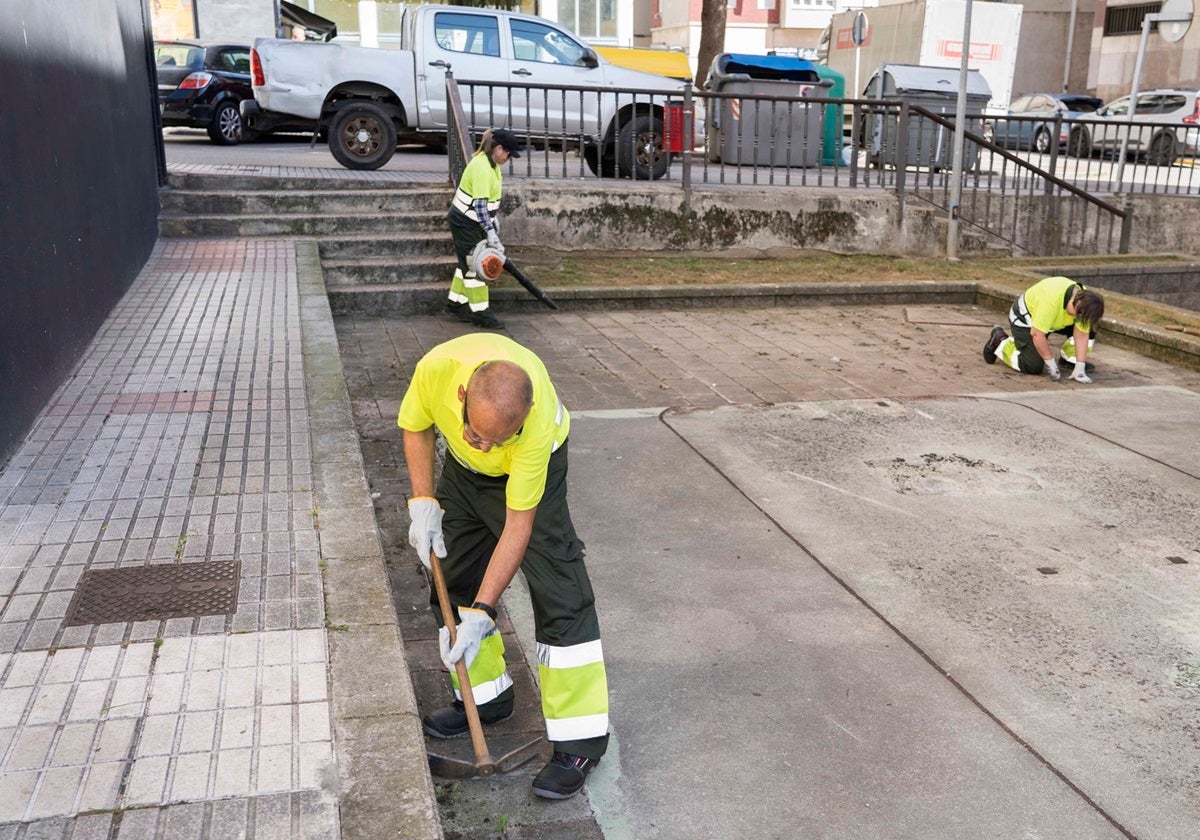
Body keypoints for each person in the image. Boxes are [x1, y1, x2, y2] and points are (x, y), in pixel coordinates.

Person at [398, 333, 609, 800]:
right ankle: (485, 698)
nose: (487, 446)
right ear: (460, 398)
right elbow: (416, 425)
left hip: (533, 473)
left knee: (560, 588)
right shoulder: (437, 369)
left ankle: (580, 742)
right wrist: (423, 500)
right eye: (477, 433)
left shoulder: (533, 432)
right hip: (460, 471)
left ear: (524, 420)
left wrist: (484, 611)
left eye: (498, 439)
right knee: (452, 574)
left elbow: (518, 527)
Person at [445, 128, 523, 330]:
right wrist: (490, 231)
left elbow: (486, 202)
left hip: (472, 220)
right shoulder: (482, 166)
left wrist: (492, 219)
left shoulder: (491, 163)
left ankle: (456, 303)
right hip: (465, 221)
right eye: (507, 153)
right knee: (475, 267)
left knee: (466, 262)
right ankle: (481, 314)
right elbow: (480, 205)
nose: (508, 158)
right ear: (498, 148)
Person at [983, 275, 1105, 384]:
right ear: (1077, 302)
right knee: (1032, 366)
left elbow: (1082, 334)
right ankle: (1001, 341)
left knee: (1090, 330)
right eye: (1078, 315)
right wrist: (1050, 363)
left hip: (1054, 321)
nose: (1078, 319)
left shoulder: (1085, 301)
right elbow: (1037, 334)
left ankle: (1069, 359)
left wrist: (1080, 368)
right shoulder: (1050, 301)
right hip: (1026, 321)